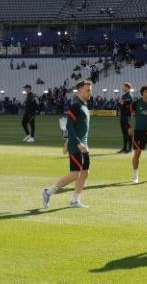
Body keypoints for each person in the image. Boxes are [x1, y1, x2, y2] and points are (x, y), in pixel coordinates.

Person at [43, 80, 93, 209]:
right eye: (88, 90)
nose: (90, 92)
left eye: (90, 89)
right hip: (77, 146)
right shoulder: (76, 106)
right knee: (75, 174)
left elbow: (78, 128)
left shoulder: (84, 106)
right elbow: (69, 127)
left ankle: (75, 201)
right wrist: (76, 143)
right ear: (80, 90)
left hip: (83, 145)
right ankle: (48, 192)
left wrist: (80, 143)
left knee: (85, 173)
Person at [118, 82, 134, 153]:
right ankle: (124, 148)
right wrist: (122, 103)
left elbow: (124, 103)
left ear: (127, 87)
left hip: (127, 116)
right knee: (124, 133)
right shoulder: (124, 96)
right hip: (123, 116)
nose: (122, 88)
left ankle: (129, 149)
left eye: (123, 87)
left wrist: (122, 102)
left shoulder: (130, 95)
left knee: (128, 133)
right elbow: (120, 104)